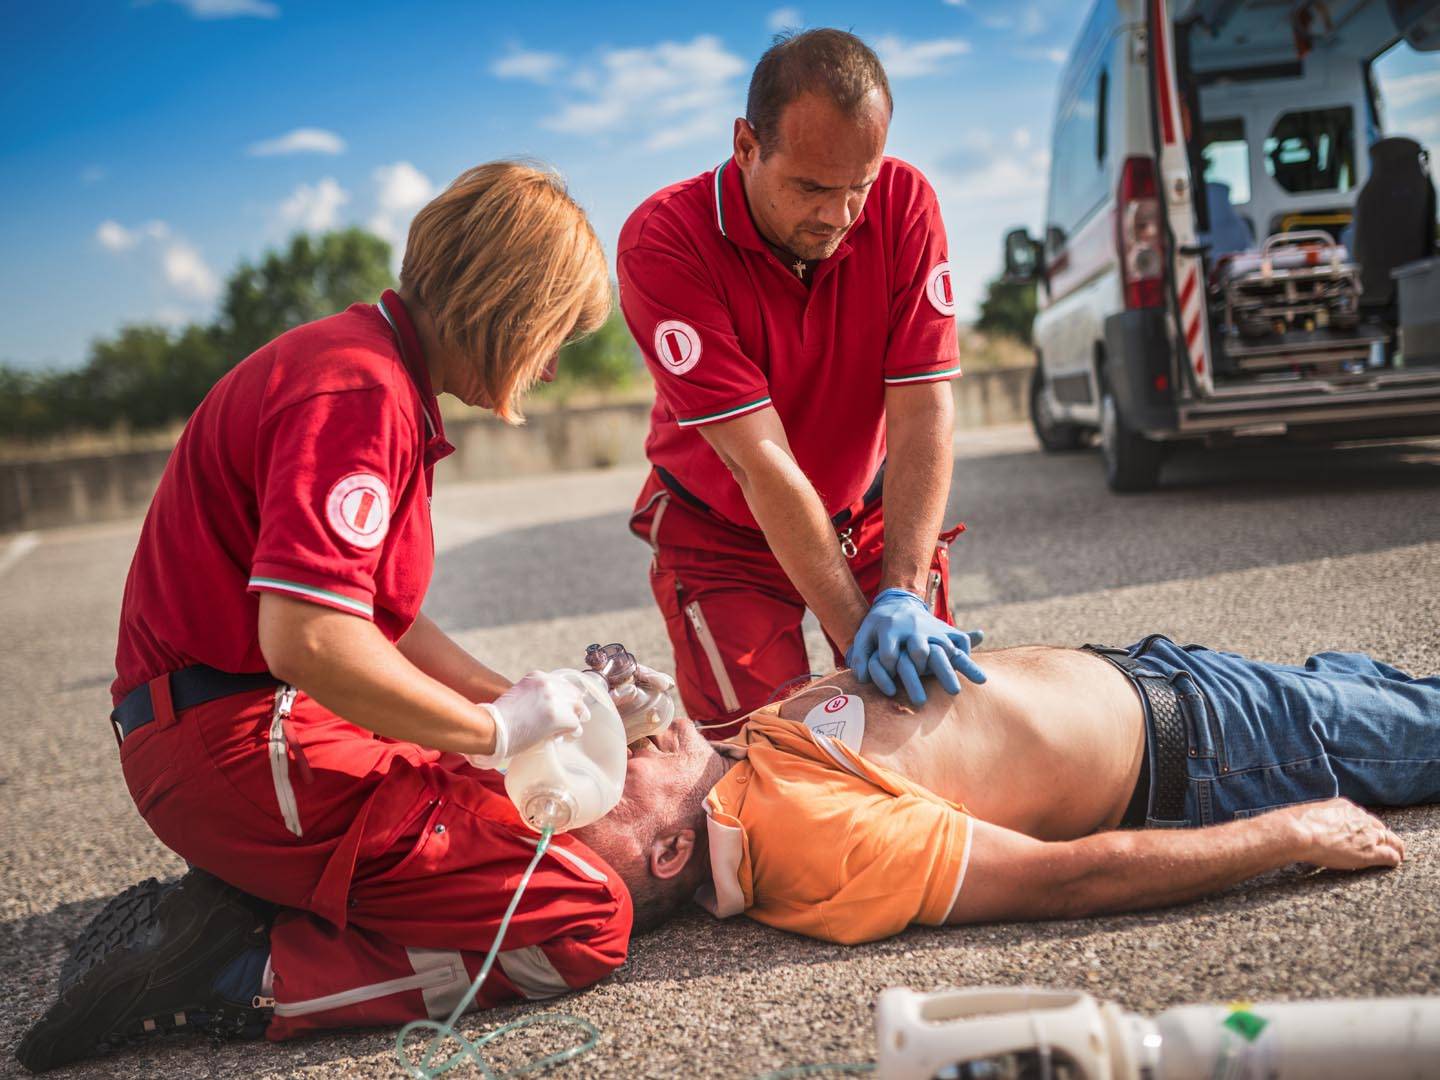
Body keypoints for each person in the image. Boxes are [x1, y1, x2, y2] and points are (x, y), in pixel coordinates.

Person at [18, 163, 633, 1073]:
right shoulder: (361, 394)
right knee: (582, 917)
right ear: (509, 304)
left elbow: (383, 619)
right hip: (234, 742)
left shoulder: (368, 368)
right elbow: (306, 639)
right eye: (554, 336)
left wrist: (518, 701)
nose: (549, 365)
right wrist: (493, 730)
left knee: (486, 805)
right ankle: (239, 973)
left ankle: (260, 895)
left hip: (232, 729)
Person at [572, 635, 1432, 944]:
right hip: (1231, 749)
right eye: (615, 778)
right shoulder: (808, 837)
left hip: (1175, 679)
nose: (614, 752)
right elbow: (1066, 880)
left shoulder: (738, 778)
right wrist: (1291, 834)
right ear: (672, 848)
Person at [619, 28, 983, 735]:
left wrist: (903, 596)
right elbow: (760, 461)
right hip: (725, 531)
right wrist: (857, 634)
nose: (840, 217)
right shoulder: (664, 240)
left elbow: (924, 411)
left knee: (934, 734)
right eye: (812, 187)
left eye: (858, 187)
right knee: (773, 752)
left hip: (869, 512)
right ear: (746, 146)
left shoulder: (904, 202)